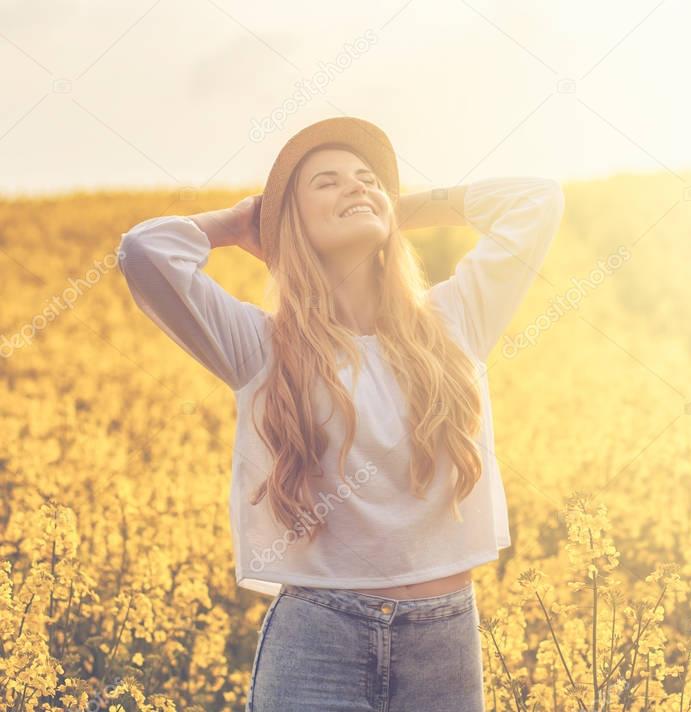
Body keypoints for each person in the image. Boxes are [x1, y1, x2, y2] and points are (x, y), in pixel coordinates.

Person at [116, 116, 565, 711]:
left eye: (368, 179)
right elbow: (145, 251)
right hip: (318, 636)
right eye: (326, 183)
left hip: (443, 641)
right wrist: (245, 223)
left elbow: (537, 200)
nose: (356, 186)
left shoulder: (457, 320)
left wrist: (394, 204)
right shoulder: (260, 347)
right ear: (290, 224)